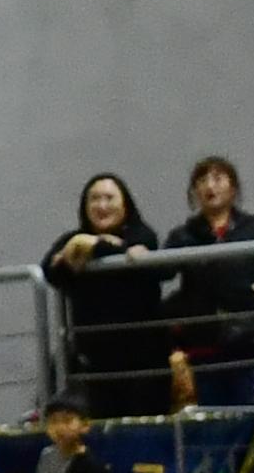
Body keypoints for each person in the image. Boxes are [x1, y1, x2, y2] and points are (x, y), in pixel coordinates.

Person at [41, 176, 168, 415]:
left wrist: (90, 246)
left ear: (125, 204)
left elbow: (139, 254)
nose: (102, 206)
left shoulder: (142, 233)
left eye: (109, 198)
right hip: (95, 363)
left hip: (144, 362)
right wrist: (90, 242)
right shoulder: (72, 237)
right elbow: (51, 269)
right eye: (95, 199)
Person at [163, 157, 254, 409]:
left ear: (233, 187)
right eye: (202, 180)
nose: (210, 186)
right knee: (211, 414)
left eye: (218, 178)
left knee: (251, 411)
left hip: (250, 340)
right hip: (204, 342)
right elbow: (162, 271)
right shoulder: (183, 235)